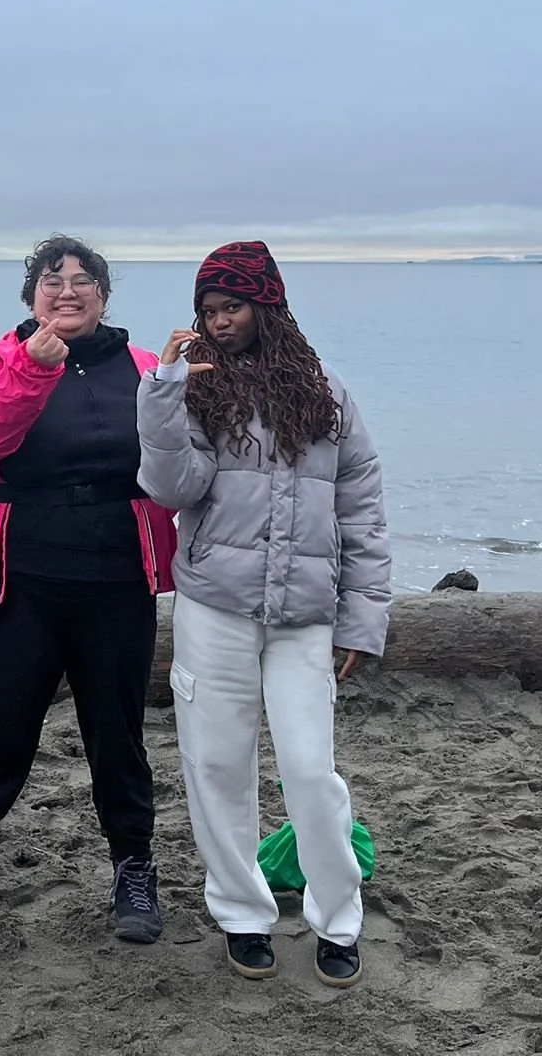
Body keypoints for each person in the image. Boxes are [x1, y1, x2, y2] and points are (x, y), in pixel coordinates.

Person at [0, 235, 179, 961]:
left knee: (118, 739)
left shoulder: (146, 366)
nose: (68, 289)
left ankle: (134, 871)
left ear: (105, 295)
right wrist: (32, 367)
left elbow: (181, 460)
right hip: (22, 577)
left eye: (84, 280)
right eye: (52, 279)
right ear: (31, 295)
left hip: (118, 577)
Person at [137, 241, 388, 988]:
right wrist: (163, 391)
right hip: (216, 606)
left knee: (311, 772)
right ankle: (244, 914)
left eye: (233, 306)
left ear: (267, 305)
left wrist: (363, 618)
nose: (219, 322)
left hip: (305, 618)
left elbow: (363, 511)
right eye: (208, 310)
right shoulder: (193, 388)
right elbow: (171, 490)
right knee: (217, 765)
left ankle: (338, 918)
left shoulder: (328, 393)